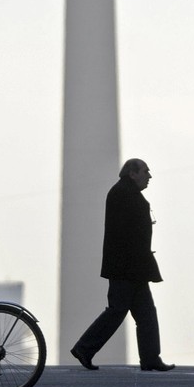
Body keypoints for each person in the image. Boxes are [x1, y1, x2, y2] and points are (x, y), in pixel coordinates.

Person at [70, 158, 174, 372]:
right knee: (118, 311)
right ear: (132, 173)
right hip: (127, 269)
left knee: (145, 314)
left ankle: (150, 358)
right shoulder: (123, 194)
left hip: (133, 268)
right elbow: (128, 236)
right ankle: (84, 348)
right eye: (145, 171)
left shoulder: (125, 193)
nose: (149, 176)